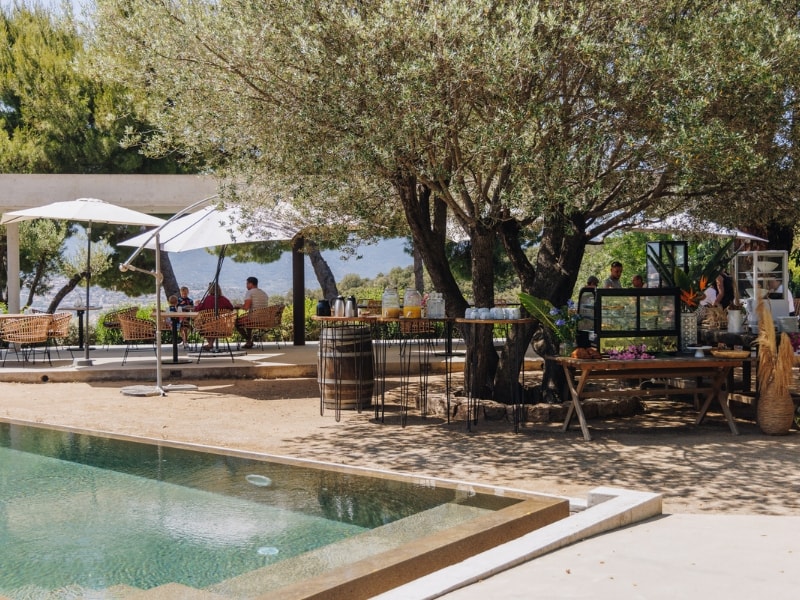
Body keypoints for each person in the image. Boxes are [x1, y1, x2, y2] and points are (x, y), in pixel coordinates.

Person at [195, 282, 235, 350]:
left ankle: (210, 344)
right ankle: (210, 344)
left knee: (202, 324)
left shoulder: (208, 299)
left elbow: (198, 309)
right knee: (214, 324)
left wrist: (197, 304)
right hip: (222, 325)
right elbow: (231, 308)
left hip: (208, 325)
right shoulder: (224, 299)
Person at [236, 276, 270, 349]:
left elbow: (246, 308)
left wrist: (239, 306)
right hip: (264, 319)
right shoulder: (263, 293)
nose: (246, 286)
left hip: (254, 318)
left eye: (247, 284)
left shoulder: (250, 292)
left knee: (237, 322)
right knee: (248, 323)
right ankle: (249, 342)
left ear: (251, 284)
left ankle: (248, 340)